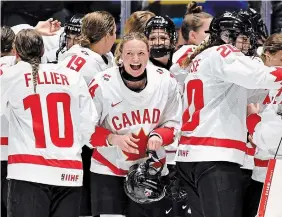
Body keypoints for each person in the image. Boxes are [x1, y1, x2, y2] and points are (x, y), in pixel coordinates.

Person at [175, 12, 282, 217]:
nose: (248, 45)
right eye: (244, 38)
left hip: (191, 156)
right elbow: (258, 77)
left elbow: (253, 92)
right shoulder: (222, 53)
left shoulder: (203, 58)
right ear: (226, 36)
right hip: (214, 157)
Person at [0, 29, 97, 217]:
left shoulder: (12, 75)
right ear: (43, 50)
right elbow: (89, 124)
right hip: (70, 174)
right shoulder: (72, 76)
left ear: (16, 52)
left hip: (28, 172)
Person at [88, 32, 182, 217]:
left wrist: (159, 136)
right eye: (130, 53)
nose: (135, 59)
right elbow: (84, 129)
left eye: (141, 53)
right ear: (121, 54)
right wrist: (113, 138)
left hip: (151, 171)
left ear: (148, 53)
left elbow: (174, 122)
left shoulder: (165, 80)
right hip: (108, 170)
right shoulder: (102, 83)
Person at [245, 33, 282, 217]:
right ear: (268, 54)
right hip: (257, 171)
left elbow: (271, 137)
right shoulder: (255, 79)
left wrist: (252, 122)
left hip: (274, 174)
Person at [59, 11, 116, 84]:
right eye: (114, 32)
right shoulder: (90, 66)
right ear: (107, 36)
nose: (115, 37)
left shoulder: (104, 56)